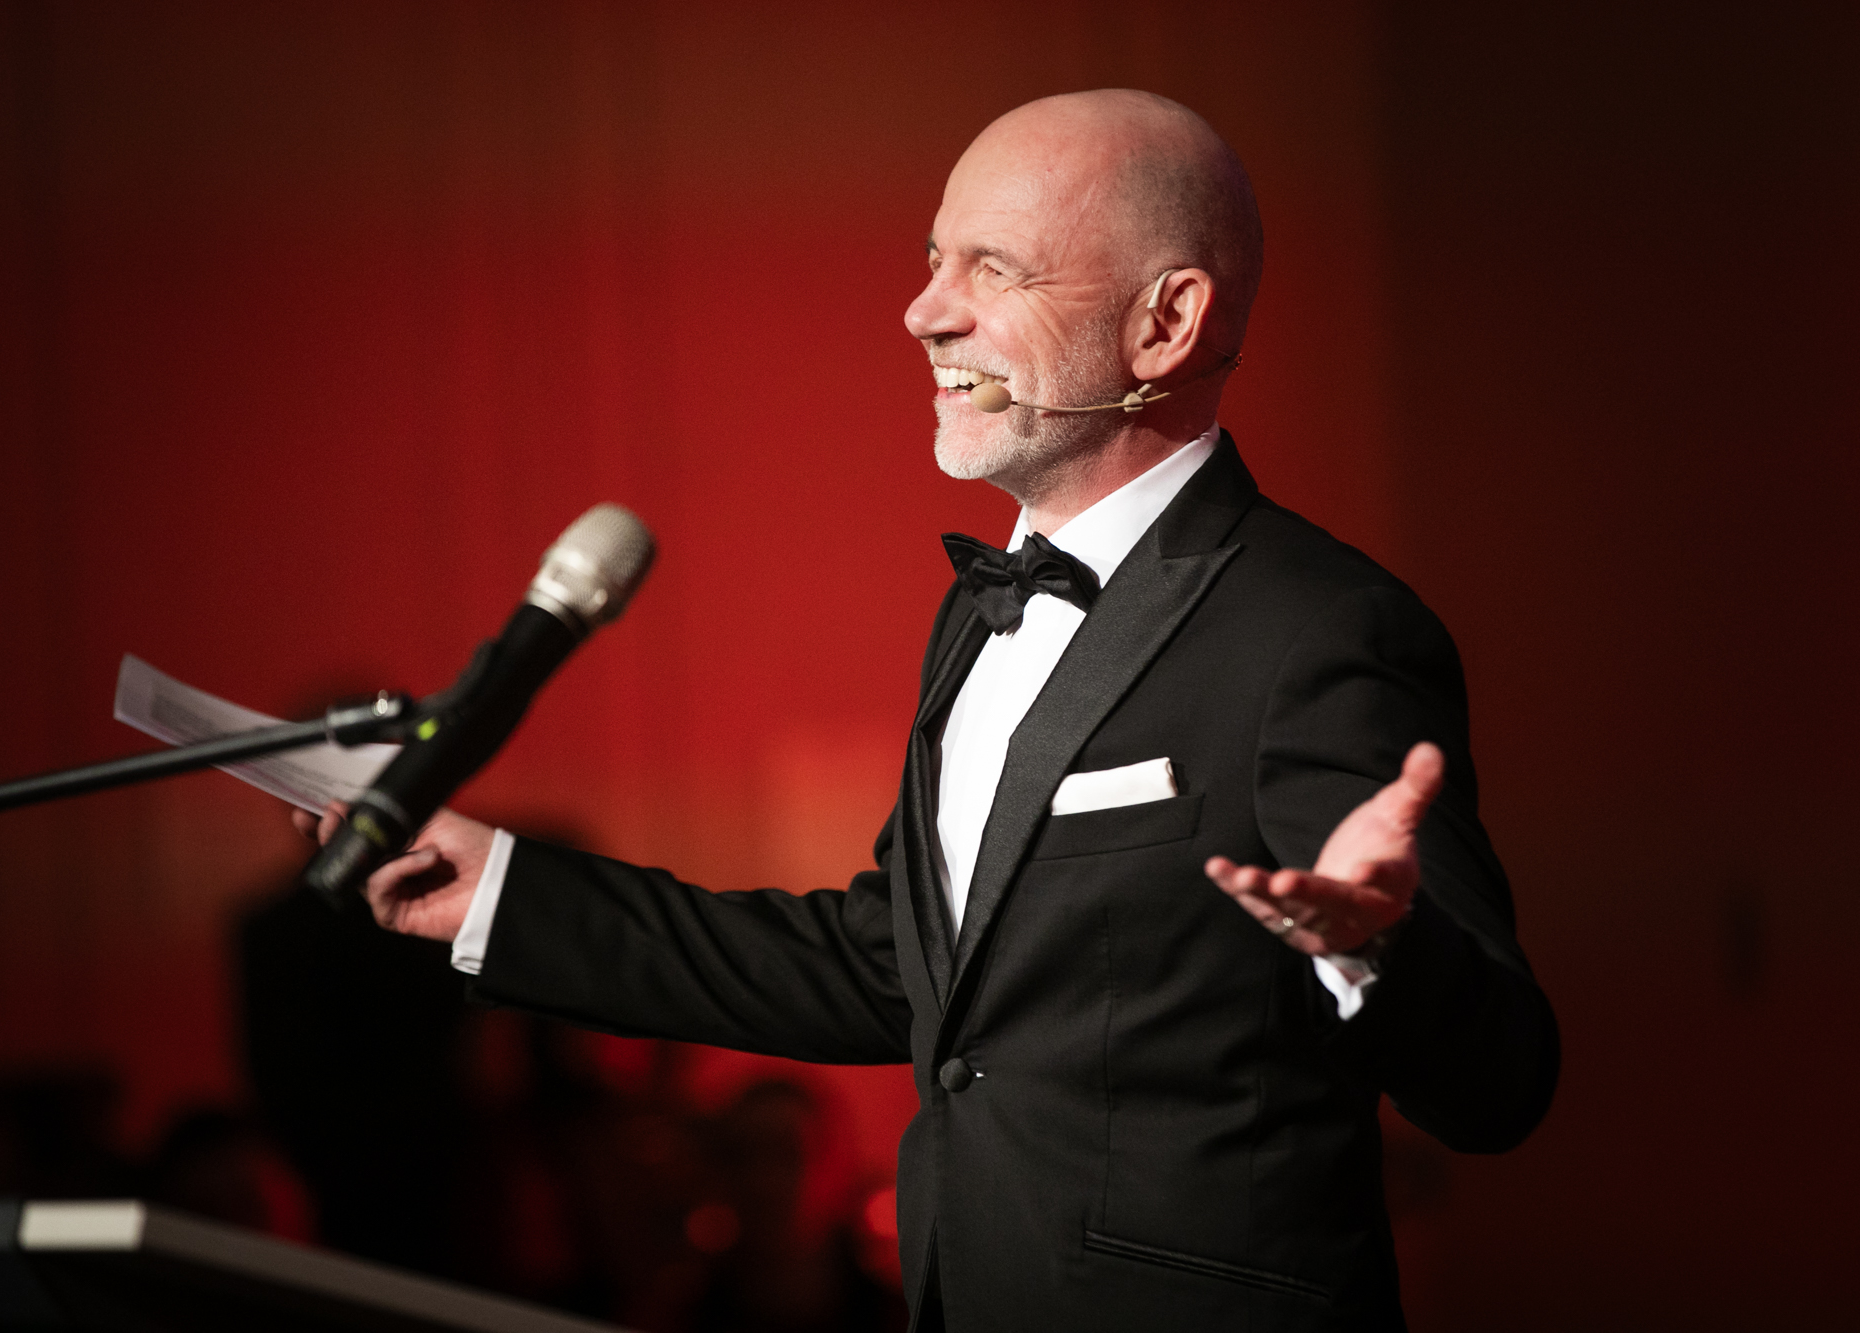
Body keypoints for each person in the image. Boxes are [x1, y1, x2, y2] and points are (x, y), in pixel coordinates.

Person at [298, 89, 1558, 1332]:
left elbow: (1500, 1081)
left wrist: (1379, 945)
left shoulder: (1317, 628)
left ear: (1164, 322)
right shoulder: (973, 615)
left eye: (991, 269)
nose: (923, 311)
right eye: (930, 259)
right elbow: (891, 971)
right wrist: (500, 894)